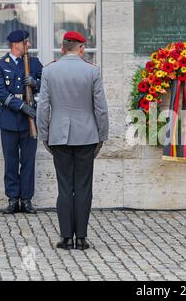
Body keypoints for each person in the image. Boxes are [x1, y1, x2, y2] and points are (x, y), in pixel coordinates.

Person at [37, 31, 109, 250]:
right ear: (81, 48)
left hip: (58, 135)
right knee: (84, 187)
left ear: (62, 48)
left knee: (65, 187)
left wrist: (44, 135)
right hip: (87, 135)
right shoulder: (92, 71)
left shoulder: (49, 70)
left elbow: (43, 107)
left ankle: (66, 237)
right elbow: (101, 109)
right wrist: (102, 135)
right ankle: (81, 238)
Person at [0, 30, 43, 214]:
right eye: (25, 42)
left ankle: (27, 199)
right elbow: (0, 93)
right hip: (9, 120)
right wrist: (21, 106)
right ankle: (13, 199)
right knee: (11, 161)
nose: (28, 45)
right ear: (16, 44)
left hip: (29, 120)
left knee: (28, 161)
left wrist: (35, 83)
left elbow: (47, 83)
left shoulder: (34, 63)